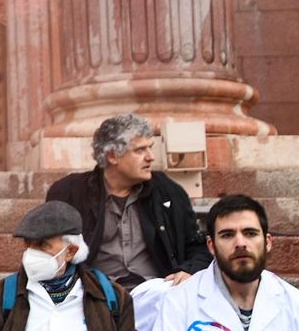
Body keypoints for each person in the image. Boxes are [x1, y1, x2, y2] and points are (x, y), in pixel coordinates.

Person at [45, 113, 211, 328]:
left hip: (156, 294)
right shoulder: (70, 193)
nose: (151, 157)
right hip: (93, 297)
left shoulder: (168, 192)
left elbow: (197, 246)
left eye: (150, 148)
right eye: (140, 150)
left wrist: (189, 270)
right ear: (113, 155)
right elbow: (48, 250)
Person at [151, 195, 299, 331]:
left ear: (268, 242)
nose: (240, 243)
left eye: (250, 233)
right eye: (227, 235)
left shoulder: (297, 304)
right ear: (211, 246)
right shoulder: (179, 302)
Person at [0, 201, 135, 331]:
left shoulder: (112, 297)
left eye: (42, 245)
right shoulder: (0, 295)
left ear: (70, 251)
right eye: (28, 244)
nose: (31, 253)